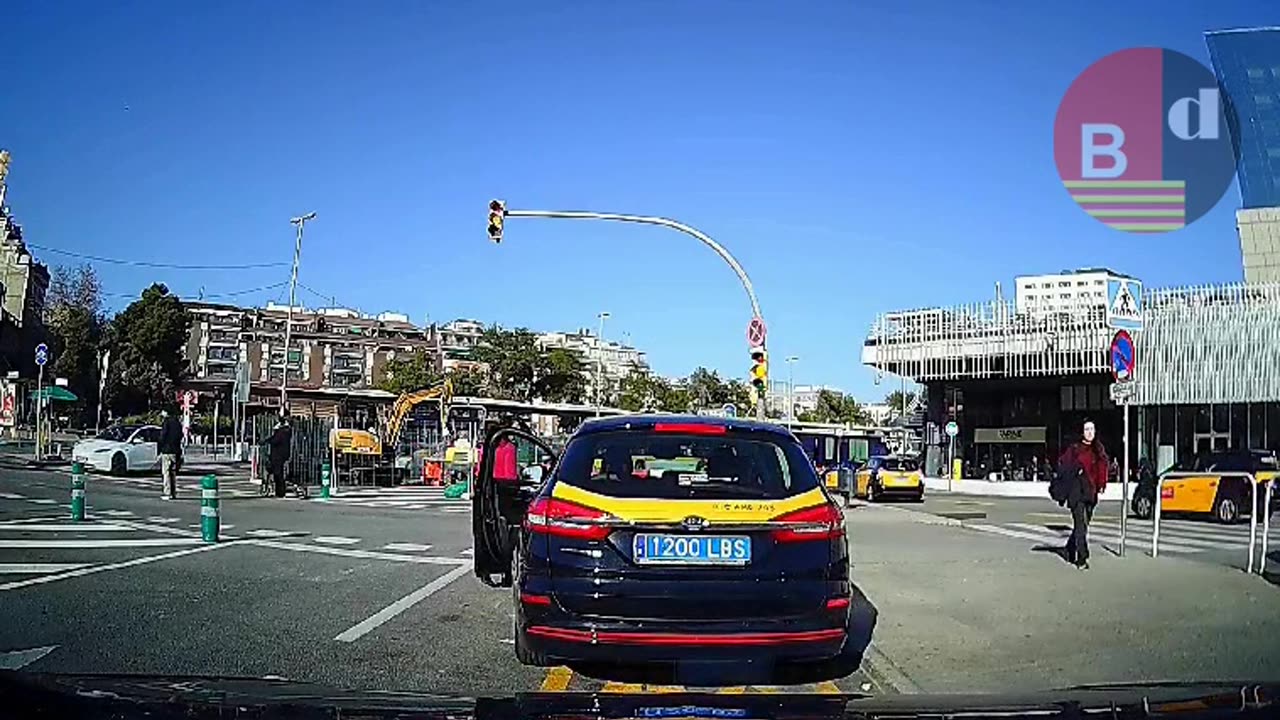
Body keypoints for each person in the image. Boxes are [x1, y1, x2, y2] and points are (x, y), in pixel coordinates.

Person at [1054, 420, 1109, 570]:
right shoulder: (1074, 449)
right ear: (1082, 432)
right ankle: (1082, 558)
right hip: (1076, 492)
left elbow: (1103, 467)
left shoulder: (1098, 449)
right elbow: (1062, 466)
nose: (1090, 432)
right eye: (1087, 429)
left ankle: (1069, 548)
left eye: (1092, 429)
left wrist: (1102, 484)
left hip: (1091, 492)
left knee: (1083, 525)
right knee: (1080, 525)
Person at [158, 408, 183, 500]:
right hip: (176, 450)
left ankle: (167, 493)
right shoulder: (177, 423)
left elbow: (163, 436)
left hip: (167, 450)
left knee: (166, 472)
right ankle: (173, 492)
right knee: (173, 473)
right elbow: (180, 435)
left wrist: (160, 447)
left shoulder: (167, 422)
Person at [267, 413, 293, 498]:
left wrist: (268, 441)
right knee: (278, 474)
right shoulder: (286, 431)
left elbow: (275, 440)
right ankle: (279, 491)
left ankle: (280, 492)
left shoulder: (282, 432)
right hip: (282, 455)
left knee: (278, 474)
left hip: (278, 456)